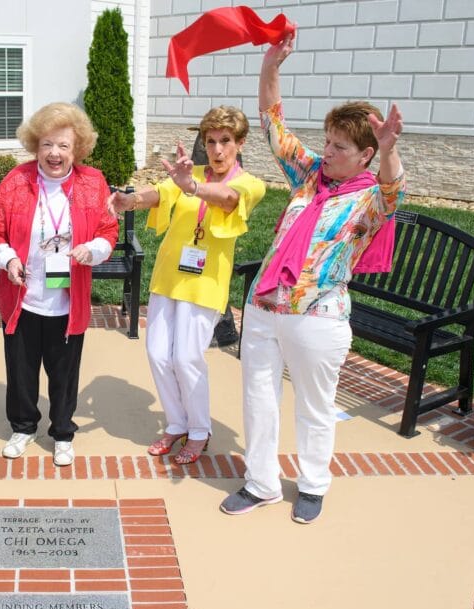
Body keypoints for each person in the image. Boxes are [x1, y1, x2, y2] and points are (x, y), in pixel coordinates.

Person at [221, 32, 405, 523]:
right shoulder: (309, 176)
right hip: (264, 308)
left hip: (317, 316)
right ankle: (260, 483)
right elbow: (272, 124)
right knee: (258, 397)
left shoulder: (371, 198)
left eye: (339, 146)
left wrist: (389, 149)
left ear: (365, 154)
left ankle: (312, 484)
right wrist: (270, 66)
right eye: (326, 140)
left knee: (313, 405)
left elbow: (394, 188)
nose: (326, 151)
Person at [109, 106, 265, 465]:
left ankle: (199, 430)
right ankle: (177, 422)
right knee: (158, 353)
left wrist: (193, 187)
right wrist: (130, 200)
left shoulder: (249, 183)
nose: (218, 149)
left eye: (226, 141)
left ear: (239, 143)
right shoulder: (187, 173)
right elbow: (159, 194)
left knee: (187, 357)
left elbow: (228, 200)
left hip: (206, 283)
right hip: (169, 276)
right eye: (211, 141)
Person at [0, 102, 120, 467]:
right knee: (21, 370)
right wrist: (9, 259)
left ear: (77, 148)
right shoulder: (17, 181)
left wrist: (93, 250)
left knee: (64, 372)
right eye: (47, 144)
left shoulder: (93, 183)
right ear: (35, 146)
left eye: (63, 145)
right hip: (23, 296)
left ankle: (62, 432)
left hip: (66, 300)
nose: (54, 154)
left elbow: (109, 229)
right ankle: (24, 427)